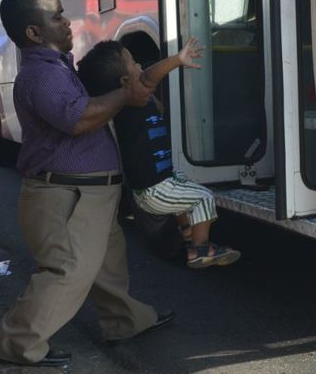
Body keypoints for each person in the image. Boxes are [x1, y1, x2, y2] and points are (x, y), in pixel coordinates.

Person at [0, 0, 173, 367]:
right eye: (56, 17)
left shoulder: (58, 67)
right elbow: (78, 119)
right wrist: (126, 96)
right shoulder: (42, 75)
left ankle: (124, 322)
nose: (67, 22)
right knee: (68, 271)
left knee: (106, 264)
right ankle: (15, 343)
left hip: (87, 194)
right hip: (67, 197)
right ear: (34, 33)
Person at [78, 39, 241, 268]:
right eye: (133, 63)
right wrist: (177, 59)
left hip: (154, 186)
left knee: (182, 181)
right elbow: (148, 78)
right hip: (154, 190)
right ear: (125, 82)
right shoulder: (129, 104)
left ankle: (186, 232)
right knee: (203, 197)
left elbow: (156, 101)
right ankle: (200, 249)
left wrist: (151, 96)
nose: (140, 66)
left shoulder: (133, 104)